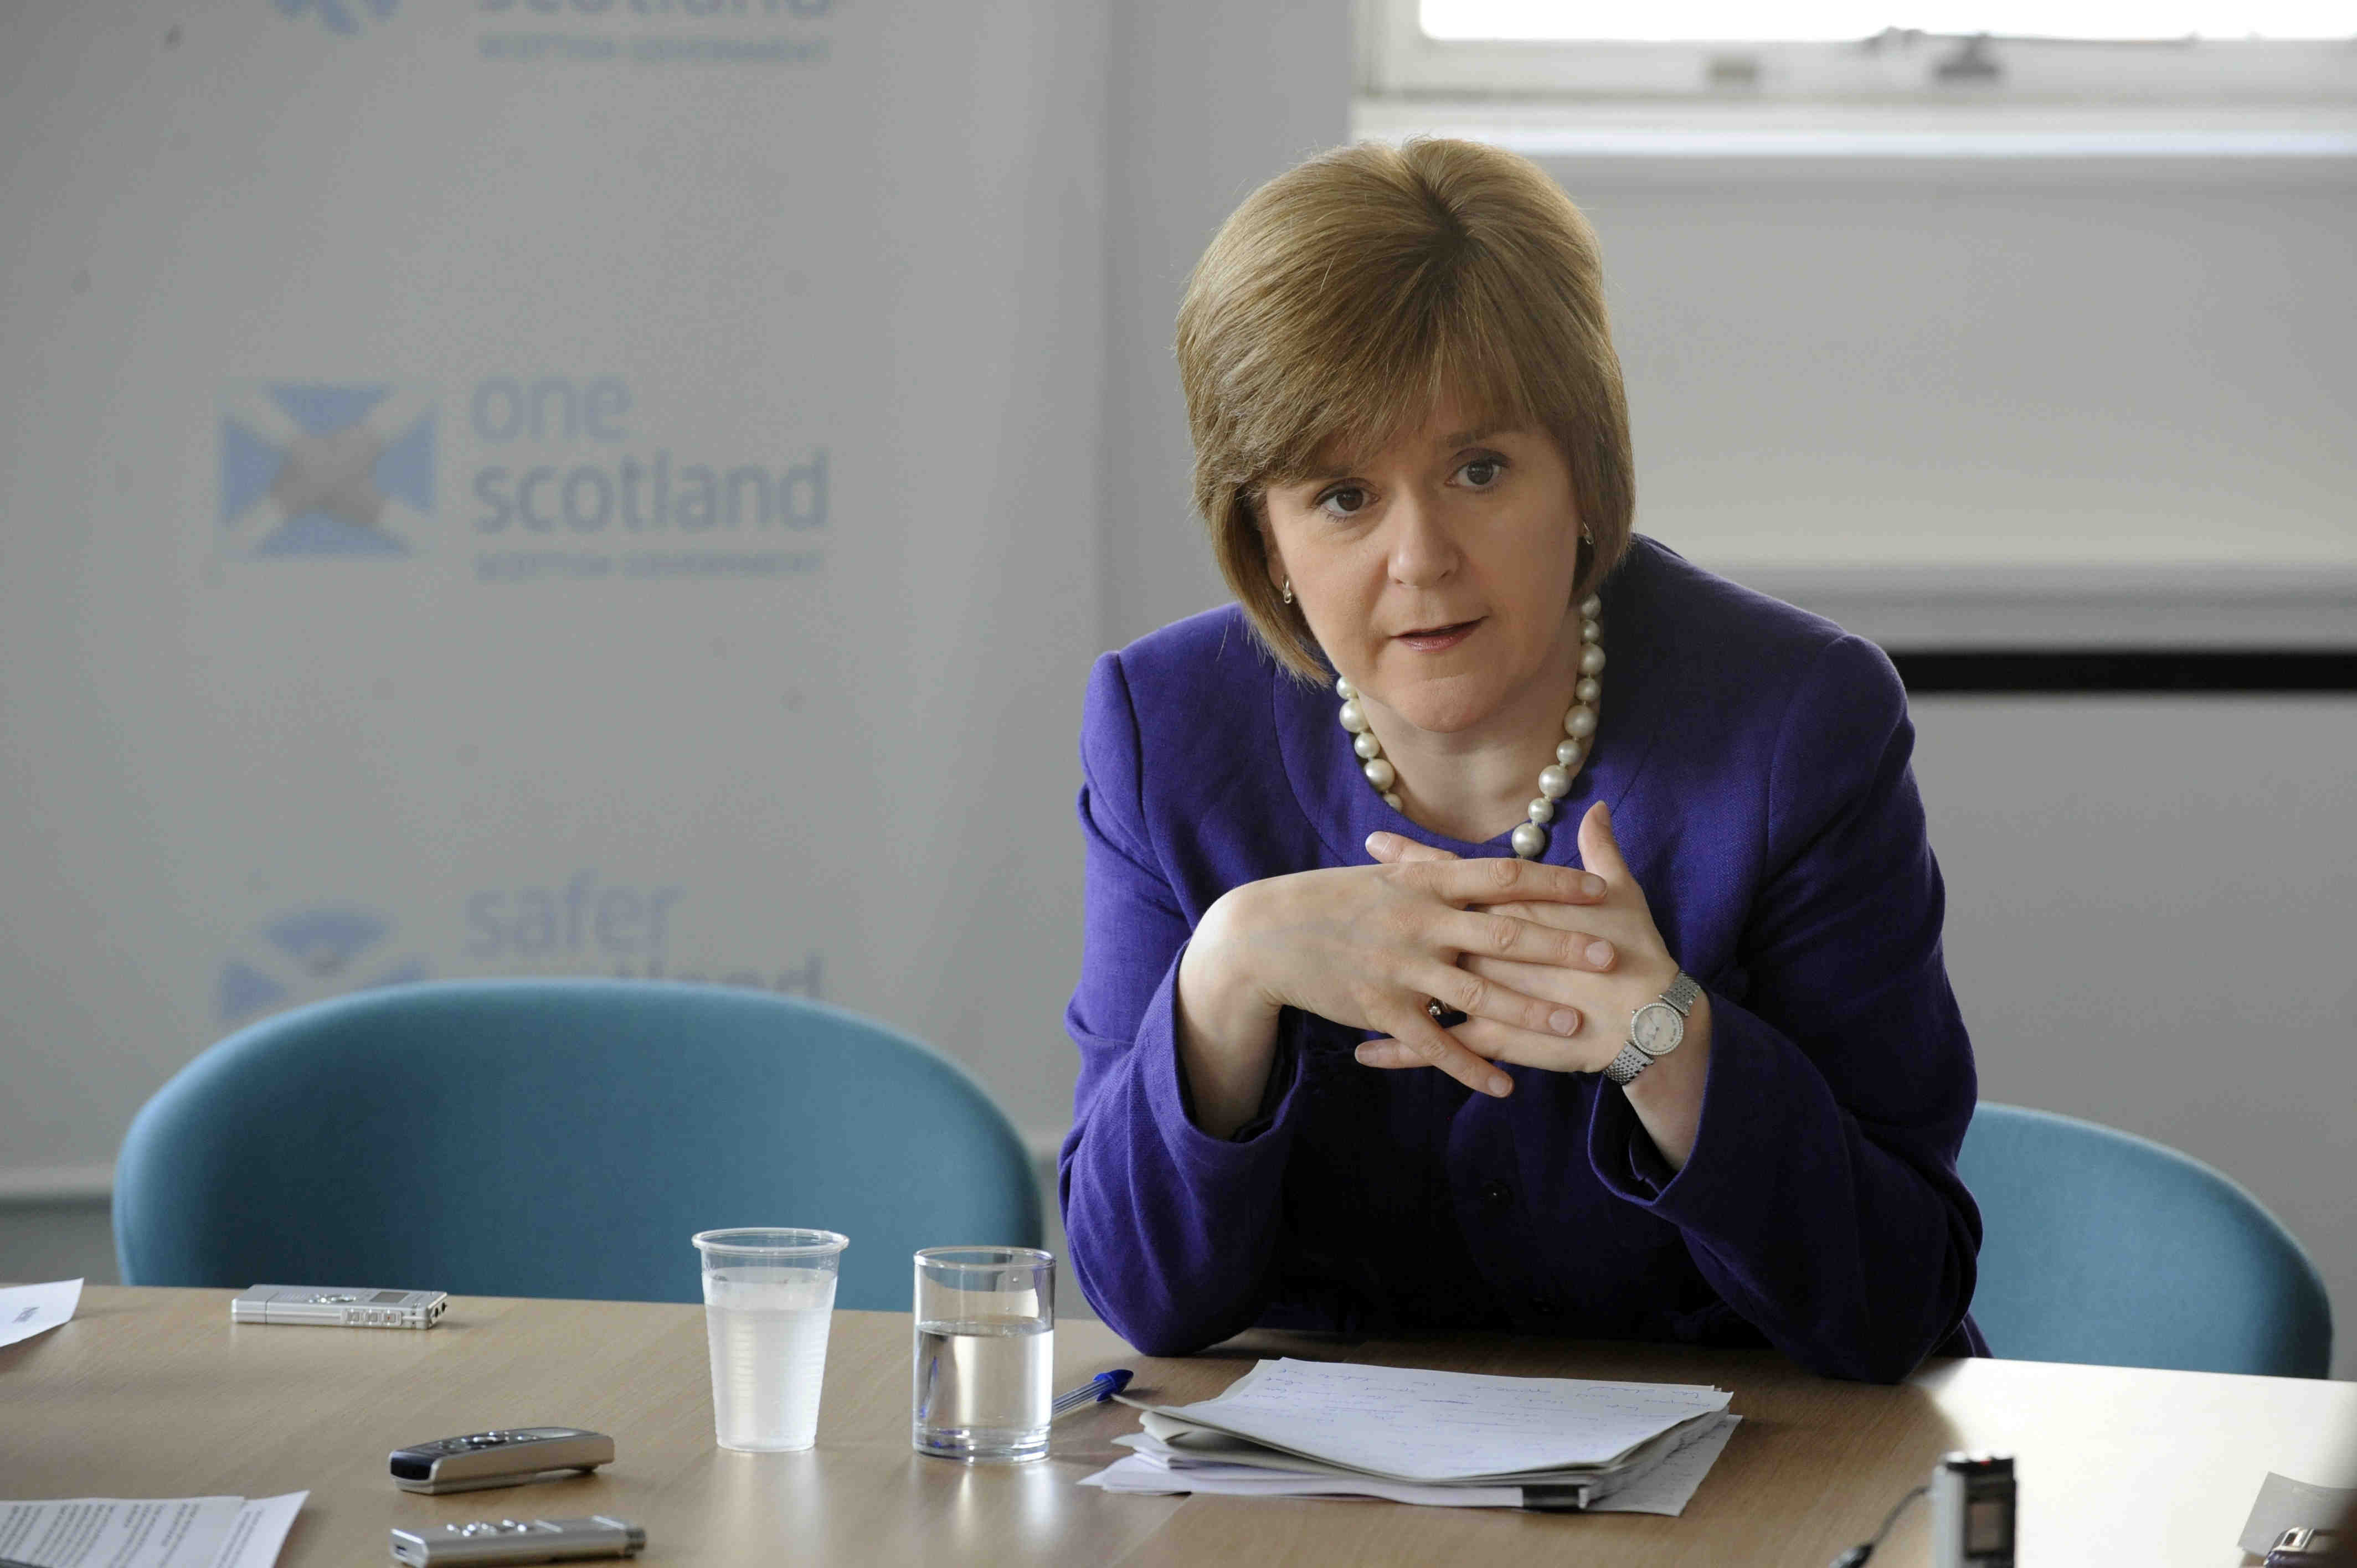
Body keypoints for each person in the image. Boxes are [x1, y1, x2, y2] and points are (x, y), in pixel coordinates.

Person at [1058, 137, 1984, 1383]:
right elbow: (1141, 1300)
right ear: (1264, 540)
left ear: (1586, 481)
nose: (1422, 558)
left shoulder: (1797, 724)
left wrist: (1672, 1046)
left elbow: (1899, 1295)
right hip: (1325, 1507)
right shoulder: (1165, 727)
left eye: (1479, 470)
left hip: (1748, 1484)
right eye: (1342, 497)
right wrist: (1224, 980)